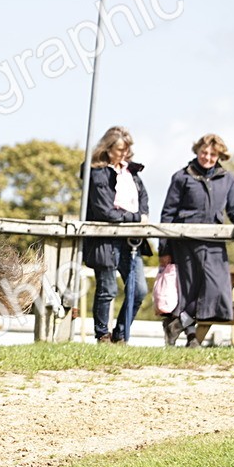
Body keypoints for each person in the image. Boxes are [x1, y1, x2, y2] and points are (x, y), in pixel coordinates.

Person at [159, 133, 234, 347]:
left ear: (219, 155)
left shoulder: (227, 179)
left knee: (217, 289)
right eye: (204, 152)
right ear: (197, 151)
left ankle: (177, 324)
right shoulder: (181, 177)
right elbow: (167, 214)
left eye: (212, 154)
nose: (207, 157)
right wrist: (164, 248)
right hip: (185, 242)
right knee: (190, 290)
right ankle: (191, 338)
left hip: (214, 243)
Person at [82, 126, 152, 344]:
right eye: (120, 149)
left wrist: (140, 216)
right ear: (108, 148)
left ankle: (121, 334)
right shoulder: (97, 172)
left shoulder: (131, 173)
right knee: (107, 289)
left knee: (139, 289)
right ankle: (102, 334)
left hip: (131, 240)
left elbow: (143, 200)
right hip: (104, 239)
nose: (124, 154)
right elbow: (105, 211)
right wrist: (136, 218)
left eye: (127, 149)